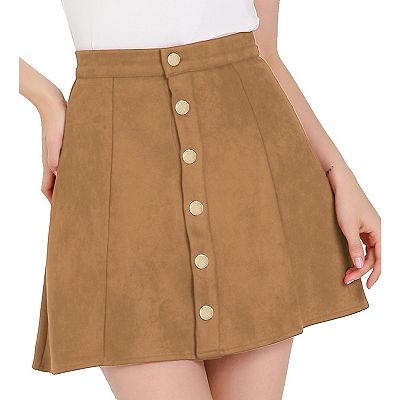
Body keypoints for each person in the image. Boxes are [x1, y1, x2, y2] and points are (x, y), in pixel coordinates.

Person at [19, 1, 381, 398]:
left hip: (247, 180)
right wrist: (45, 98)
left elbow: (264, 50)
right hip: (121, 175)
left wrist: (338, 172)